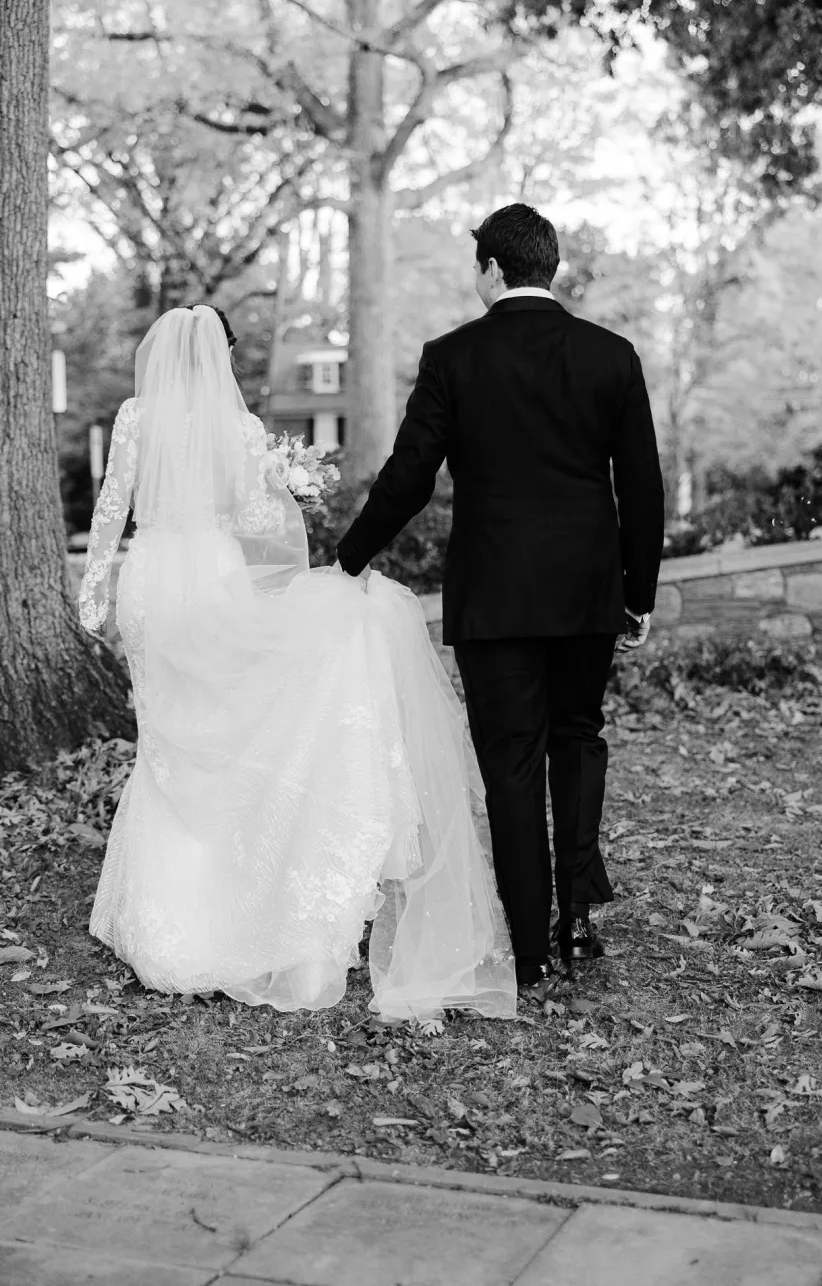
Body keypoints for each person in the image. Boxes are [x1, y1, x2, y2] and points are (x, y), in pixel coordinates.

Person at [77, 304, 516, 1022]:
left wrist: (95, 593)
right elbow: (257, 524)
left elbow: (109, 508)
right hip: (213, 579)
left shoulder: (135, 415)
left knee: (164, 743)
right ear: (219, 356)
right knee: (216, 730)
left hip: (152, 581)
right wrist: (290, 491)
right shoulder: (239, 429)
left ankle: (165, 916)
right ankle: (226, 907)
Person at [337, 204, 665, 990]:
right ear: (546, 267)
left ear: (491, 269)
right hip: (587, 591)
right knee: (579, 739)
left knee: (511, 762)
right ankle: (577, 917)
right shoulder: (610, 355)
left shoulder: (452, 357)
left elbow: (409, 476)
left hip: (494, 597)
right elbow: (643, 483)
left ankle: (530, 947)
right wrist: (638, 590)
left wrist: (348, 556)